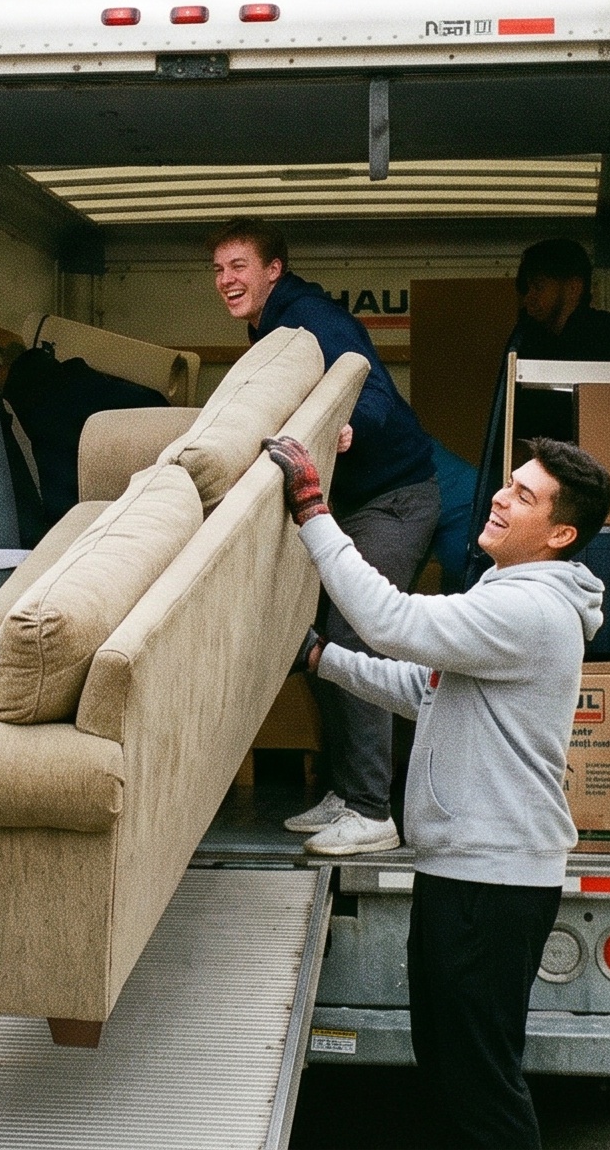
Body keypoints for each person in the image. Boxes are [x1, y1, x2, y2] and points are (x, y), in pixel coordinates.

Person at [265, 432, 610, 1150]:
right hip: (468, 871)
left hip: (491, 881)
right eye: (508, 482)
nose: (500, 495)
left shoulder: (530, 611)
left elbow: (392, 621)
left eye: (524, 494)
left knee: (480, 1089)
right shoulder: (508, 594)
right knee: (456, 1075)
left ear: (560, 533)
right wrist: (321, 658)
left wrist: (311, 510)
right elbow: (424, 692)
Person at [211, 218, 440, 857]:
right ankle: (347, 788)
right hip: (351, 506)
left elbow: (363, 375)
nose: (227, 281)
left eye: (239, 267)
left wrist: (348, 426)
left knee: (354, 629)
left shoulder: (305, 313)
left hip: (395, 499)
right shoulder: (266, 326)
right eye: (219, 270)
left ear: (273, 269)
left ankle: (373, 811)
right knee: (310, 631)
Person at [482, 238, 610, 449]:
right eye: (527, 289)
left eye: (539, 287)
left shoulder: (603, 333)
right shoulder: (530, 337)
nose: (528, 298)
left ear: (574, 288)